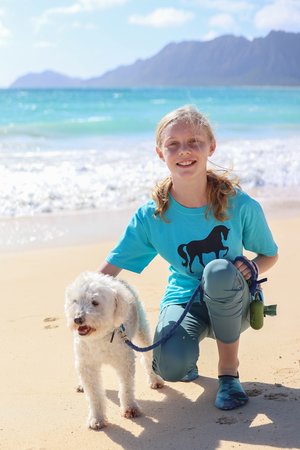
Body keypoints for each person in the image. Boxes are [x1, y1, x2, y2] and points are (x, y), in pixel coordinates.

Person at [99, 105, 278, 410]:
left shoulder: (240, 204)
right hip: (184, 300)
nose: (184, 151)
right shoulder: (152, 216)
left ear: (211, 146)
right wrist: (86, 308)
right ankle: (186, 360)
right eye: (173, 144)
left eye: (194, 141)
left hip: (235, 301)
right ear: (160, 153)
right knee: (169, 368)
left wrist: (250, 268)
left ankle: (228, 374)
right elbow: (107, 273)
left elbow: (269, 255)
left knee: (219, 271)